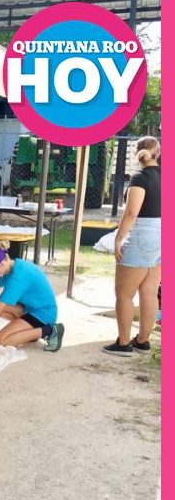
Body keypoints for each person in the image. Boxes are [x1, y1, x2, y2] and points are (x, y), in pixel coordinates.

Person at [103, 136, 161, 357]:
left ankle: (124, 343)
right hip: (163, 235)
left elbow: (131, 213)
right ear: (158, 152)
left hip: (142, 235)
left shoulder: (140, 178)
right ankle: (143, 342)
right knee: (149, 291)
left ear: (136, 154)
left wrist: (118, 238)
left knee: (124, 294)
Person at [0, 244, 64, 351]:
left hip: (43, 315)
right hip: (29, 308)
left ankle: (50, 331)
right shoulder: (12, 266)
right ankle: (28, 332)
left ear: (2, 263)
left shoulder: (17, 277)